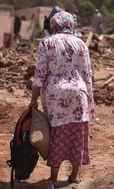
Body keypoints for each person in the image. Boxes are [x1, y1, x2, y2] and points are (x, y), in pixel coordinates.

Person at [28, 11, 95, 187]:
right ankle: (74, 176)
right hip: (79, 93)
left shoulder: (46, 43)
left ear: (53, 25)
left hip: (56, 95)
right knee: (77, 133)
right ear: (70, 24)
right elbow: (88, 75)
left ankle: (53, 178)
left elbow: (40, 74)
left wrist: (33, 99)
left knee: (57, 133)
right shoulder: (81, 44)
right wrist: (89, 99)